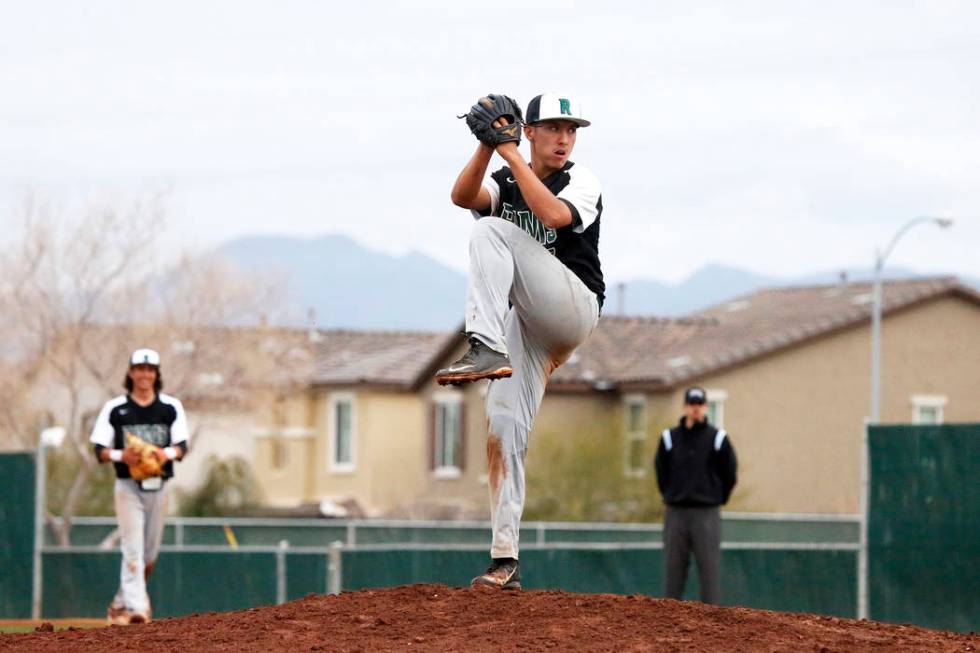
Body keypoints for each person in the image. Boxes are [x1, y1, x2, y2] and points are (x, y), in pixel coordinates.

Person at [437, 93, 604, 589]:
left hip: (572, 306)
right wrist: (487, 147)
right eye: (553, 127)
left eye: (571, 130)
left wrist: (509, 152)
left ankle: (484, 343)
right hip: (529, 323)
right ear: (529, 131)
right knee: (503, 423)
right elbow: (462, 197)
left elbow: (553, 216)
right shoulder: (507, 173)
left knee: (492, 231)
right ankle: (504, 558)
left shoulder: (582, 179)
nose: (564, 138)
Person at [90, 348, 189, 624]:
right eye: (139, 369)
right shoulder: (116, 408)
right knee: (132, 548)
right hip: (128, 486)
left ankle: (120, 604)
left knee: (149, 554)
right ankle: (137, 609)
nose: (144, 374)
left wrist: (163, 454)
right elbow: (99, 450)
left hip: (159, 485)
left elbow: (182, 447)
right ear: (131, 373)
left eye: (150, 369)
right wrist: (124, 455)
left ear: (156, 374)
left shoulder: (170, 407)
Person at [654, 386, 737, 604]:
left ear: (705, 407)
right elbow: (661, 472)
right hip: (676, 513)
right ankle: (669, 620)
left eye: (699, 404)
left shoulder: (717, 438)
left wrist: (719, 498)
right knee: (673, 573)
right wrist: (671, 494)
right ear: (685, 407)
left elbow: (729, 473)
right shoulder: (669, 438)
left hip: (706, 513)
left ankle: (712, 626)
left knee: (709, 572)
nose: (696, 409)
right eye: (692, 404)